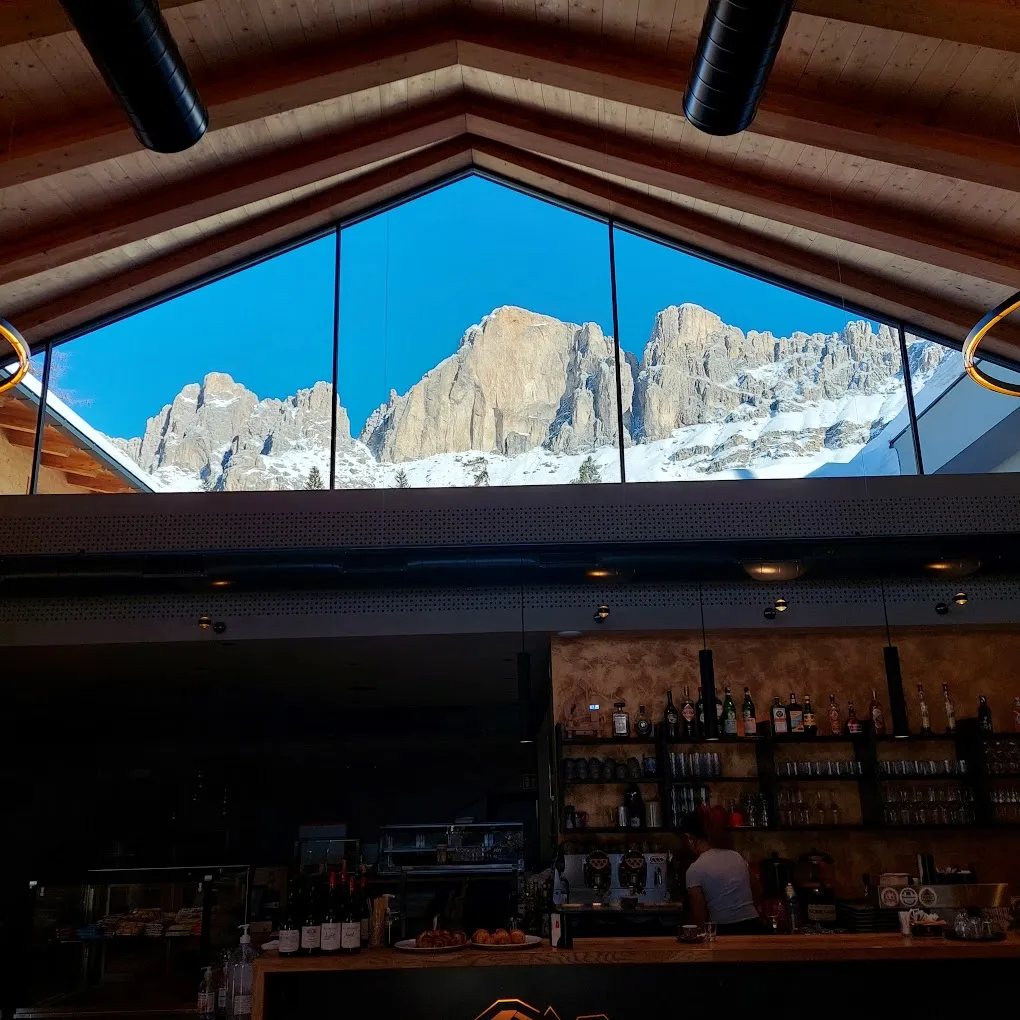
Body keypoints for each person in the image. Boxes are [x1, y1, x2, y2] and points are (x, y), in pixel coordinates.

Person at [679, 813, 761, 934]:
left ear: (689, 838)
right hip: (754, 926)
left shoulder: (695, 869)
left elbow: (699, 917)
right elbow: (758, 889)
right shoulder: (736, 856)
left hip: (724, 930)